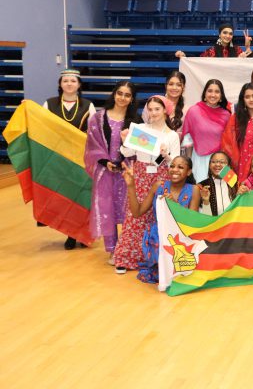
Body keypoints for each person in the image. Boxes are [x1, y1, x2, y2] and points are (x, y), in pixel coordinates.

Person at [113, 96, 181, 274]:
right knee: (135, 213)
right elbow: (128, 152)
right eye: (150, 109)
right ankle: (126, 257)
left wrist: (165, 155)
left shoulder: (172, 135)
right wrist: (124, 140)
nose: (153, 113)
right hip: (142, 174)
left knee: (156, 214)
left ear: (165, 111)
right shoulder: (141, 129)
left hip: (161, 175)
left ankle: (152, 256)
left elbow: (175, 160)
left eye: (157, 109)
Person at [84, 81, 140, 265]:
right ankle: (112, 250)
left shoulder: (136, 122)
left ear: (132, 99)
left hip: (127, 172)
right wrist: (105, 161)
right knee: (107, 208)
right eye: (120, 93)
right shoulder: (98, 118)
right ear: (114, 94)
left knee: (127, 209)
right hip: (105, 172)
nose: (123, 98)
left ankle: (126, 248)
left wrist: (125, 162)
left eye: (127, 95)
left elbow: (140, 149)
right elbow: (92, 145)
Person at [122, 155, 200, 284]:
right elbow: (137, 212)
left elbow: (191, 222)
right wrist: (131, 186)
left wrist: (174, 205)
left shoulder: (194, 189)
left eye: (180, 167)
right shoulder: (159, 185)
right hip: (158, 236)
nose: (174, 170)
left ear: (189, 172)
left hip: (181, 236)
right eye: (172, 166)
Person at [42, 68, 96, 249]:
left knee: (82, 195)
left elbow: (93, 132)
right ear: (60, 84)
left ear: (79, 84)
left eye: (73, 81)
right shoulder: (49, 104)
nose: (69, 84)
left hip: (81, 158)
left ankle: (83, 233)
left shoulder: (88, 105)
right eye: (65, 81)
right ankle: (70, 234)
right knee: (65, 196)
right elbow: (41, 127)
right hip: (59, 158)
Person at [180, 79, 231, 183]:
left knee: (224, 192)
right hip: (198, 161)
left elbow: (230, 142)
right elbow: (187, 141)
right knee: (200, 193)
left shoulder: (226, 115)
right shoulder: (194, 111)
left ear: (221, 96)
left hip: (221, 162)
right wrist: (188, 165)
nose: (213, 94)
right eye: (210, 91)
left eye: (217, 92)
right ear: (204, 94)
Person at [175, 24, 251, 58]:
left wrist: (247, 47)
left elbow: (246, 65)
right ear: (219, 35)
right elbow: (198, 64)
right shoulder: (211, 51)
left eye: (230, 34)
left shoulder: (237, 50)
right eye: (225, 33)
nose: (227, 36)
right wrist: (184, 57)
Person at [198, 151, 238, 216]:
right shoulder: (202, 186)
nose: (217, 165)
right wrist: (206, 201)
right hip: (214, 224)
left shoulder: (236, 183)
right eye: (213, 162)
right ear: (209, 165)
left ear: (228, 166)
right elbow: (205, 218)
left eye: (222, 162)